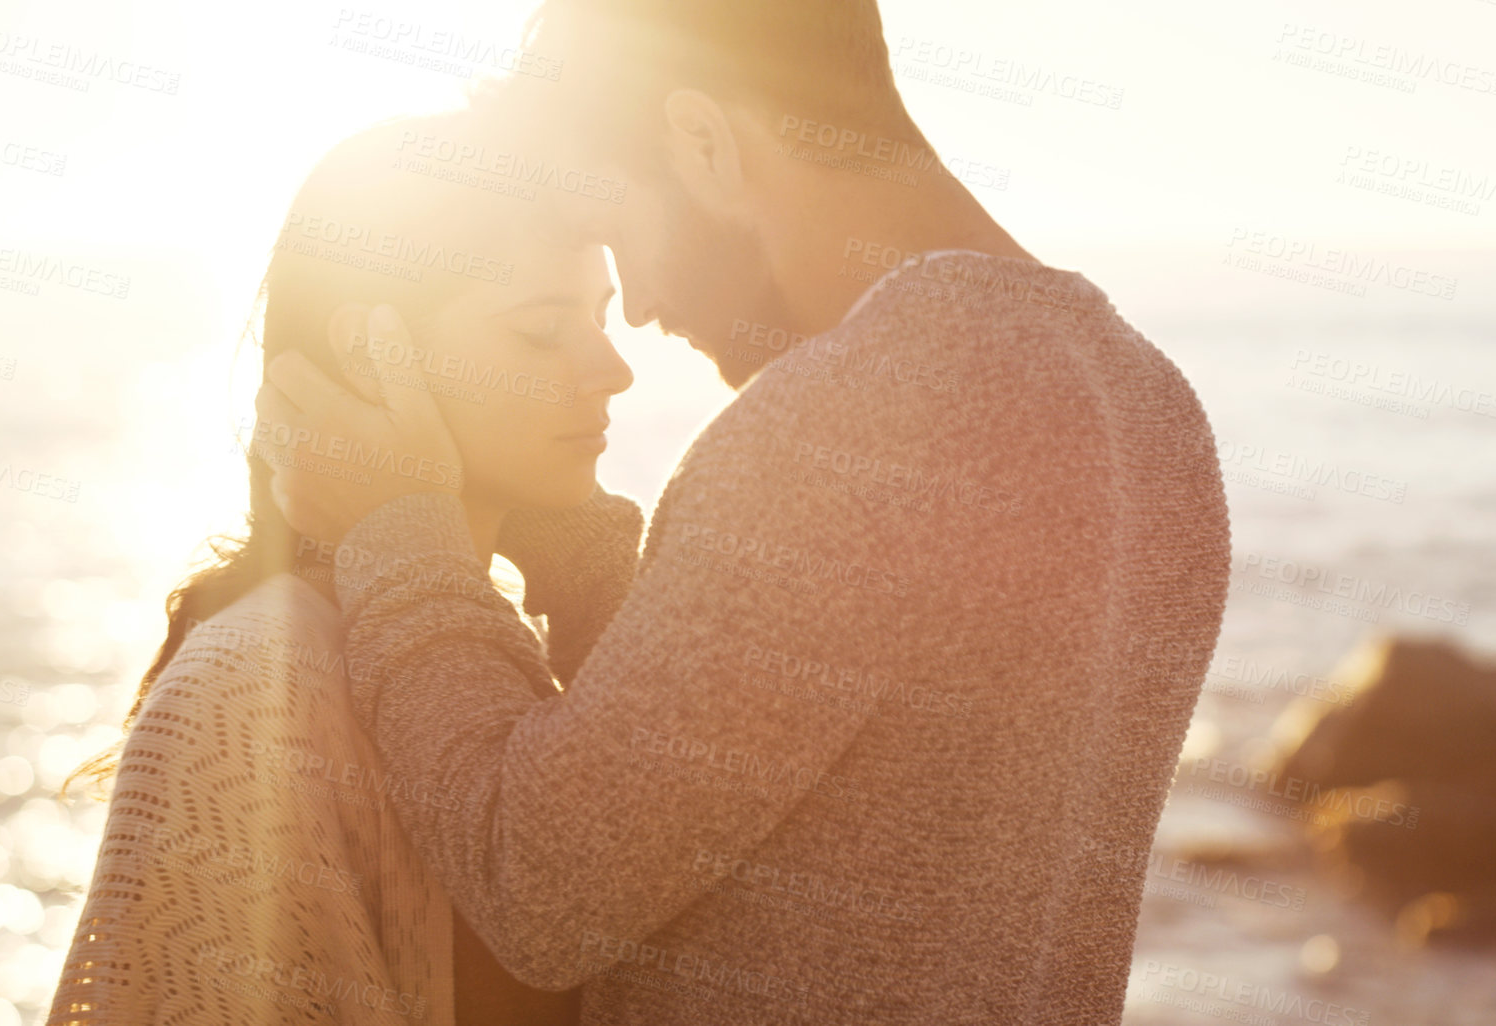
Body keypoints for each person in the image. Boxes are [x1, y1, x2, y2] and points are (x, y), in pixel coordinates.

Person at [258, 0, 1232, 1021]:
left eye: (620, 230)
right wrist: (587, 560)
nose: (634, 306)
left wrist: (400, 532)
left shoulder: (859, 412)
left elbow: (538, 887)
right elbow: (786, 790)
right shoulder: (1150, 409)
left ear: (703, 142)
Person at [47, 108, 634, 1025]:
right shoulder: (247, 688)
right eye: (540, 331)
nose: (614, 370)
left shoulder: (494, 651)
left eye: (601, 318)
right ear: (374, 355)